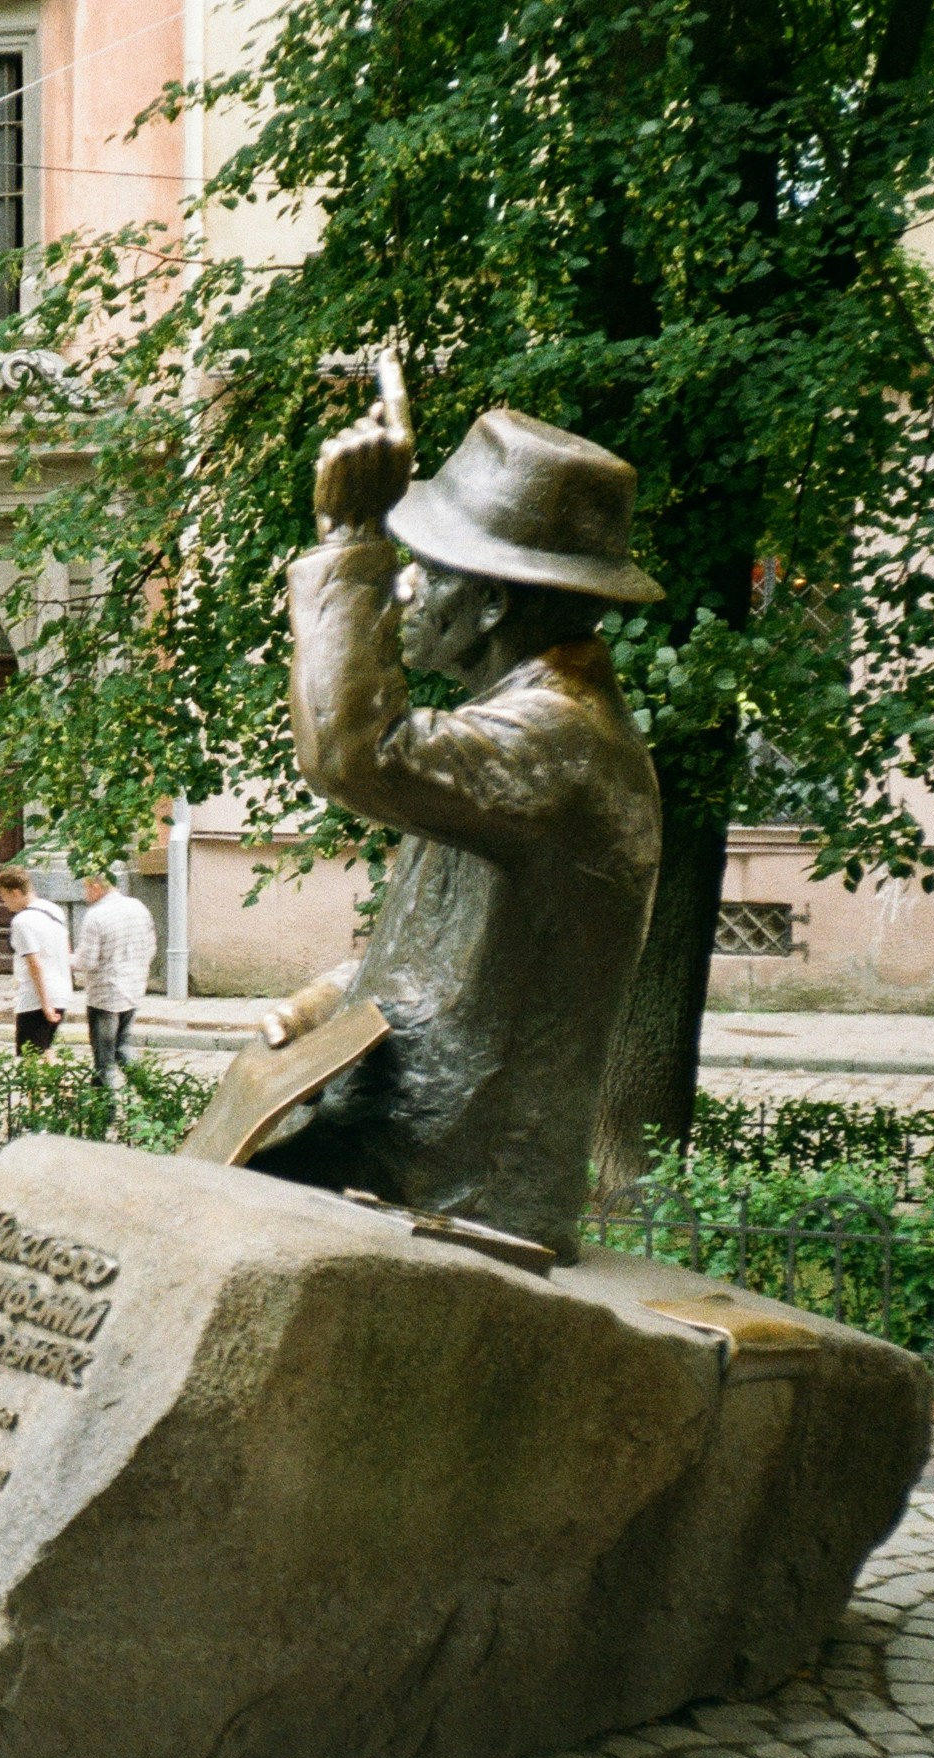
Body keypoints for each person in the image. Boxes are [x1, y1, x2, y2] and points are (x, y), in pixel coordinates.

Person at [239, 361, 664, 1261]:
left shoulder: (560, 741)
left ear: (493, 604)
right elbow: (480, 949)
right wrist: (342, 1000)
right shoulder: (530, 726)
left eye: (426, 572)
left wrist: (351, 539)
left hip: (455, 1184)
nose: (404, 590)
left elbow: (357, 750)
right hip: (410, 1144)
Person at [70, 871, 158, 1090]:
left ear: (96, 888)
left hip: (105, 996)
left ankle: (104, 1116)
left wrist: (64, 958)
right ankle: (150, 1097)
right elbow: (151, 948)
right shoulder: (138, 907)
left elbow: (86, 962)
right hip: (133, 988)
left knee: (104, 1059)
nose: (84, 893)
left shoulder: (96, 916)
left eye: (85, 887)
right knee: (122, 1047)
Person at [0, 864, 74, 1054]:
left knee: (30, 1059)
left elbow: (34, 964)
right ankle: (63, 1085)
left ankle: (61, 1084)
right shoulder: (54, 910)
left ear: (14, 892)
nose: (3, 901)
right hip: (61, 991)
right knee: (45, 1052)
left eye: (3, 895)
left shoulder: (22, 922)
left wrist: (44, 1004)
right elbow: (67, 949)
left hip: (35, 998)